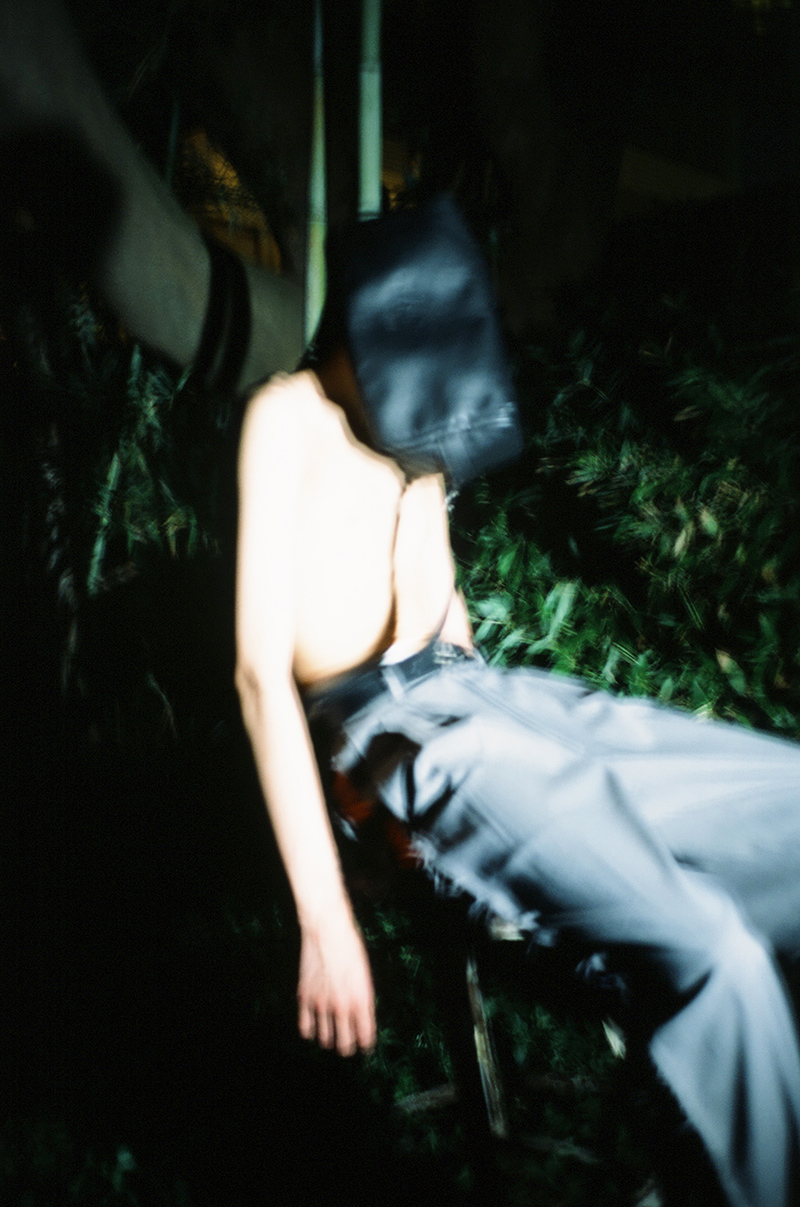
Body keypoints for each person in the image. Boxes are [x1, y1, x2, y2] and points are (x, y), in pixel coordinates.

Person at [234, 202, 800, 1207]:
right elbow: (257, 676)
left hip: (482, 692)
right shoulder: (288, 414)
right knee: (715, 951)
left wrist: (523, 715)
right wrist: (324, 918)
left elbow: (439, 599)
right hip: (386, 728)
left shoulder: (420, 410)